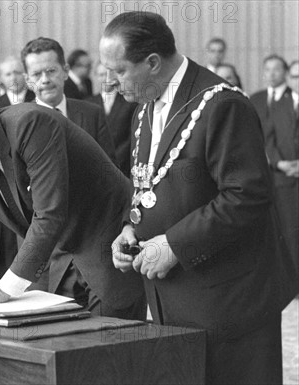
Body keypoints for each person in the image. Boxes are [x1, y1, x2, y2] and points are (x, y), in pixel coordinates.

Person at [102, 12, 297, 384]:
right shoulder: (143, 105)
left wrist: (174, 244)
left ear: (153, 63)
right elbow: (147, 183)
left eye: (119, 70)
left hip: (229, 306)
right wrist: (129, 226)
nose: (109, 83)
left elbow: (247, 196)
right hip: (171, 298)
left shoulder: (223, 104)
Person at [0, 88, 145, 319]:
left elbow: (49, 215)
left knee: (109, 348)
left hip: (107, 245)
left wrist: (3, 289)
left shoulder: (30, 124)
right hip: (53, 261)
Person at [21, 37, 117, 164]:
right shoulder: (20, 123)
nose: (45, 80)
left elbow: (110, 172)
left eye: (51, 71)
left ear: (65, 71)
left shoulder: (92, 115)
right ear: (27, 80)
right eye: (37, 74)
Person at [250, 55, 299, 268]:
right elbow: (258, 136)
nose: (271, 74)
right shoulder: (256, 99)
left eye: (276, 69)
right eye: (267, 69)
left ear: (284, 73)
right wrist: (277, 162)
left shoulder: (289, 100)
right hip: (267, 173)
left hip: (289, 176)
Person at [86, 61, 137, 177]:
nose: (105, 78)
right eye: (101, 75)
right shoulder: (88, 103)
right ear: (96, 77)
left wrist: (115, 159)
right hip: (96, 168)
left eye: (107, 74)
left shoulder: (128, 101)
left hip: (124, 165)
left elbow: (132, 134)